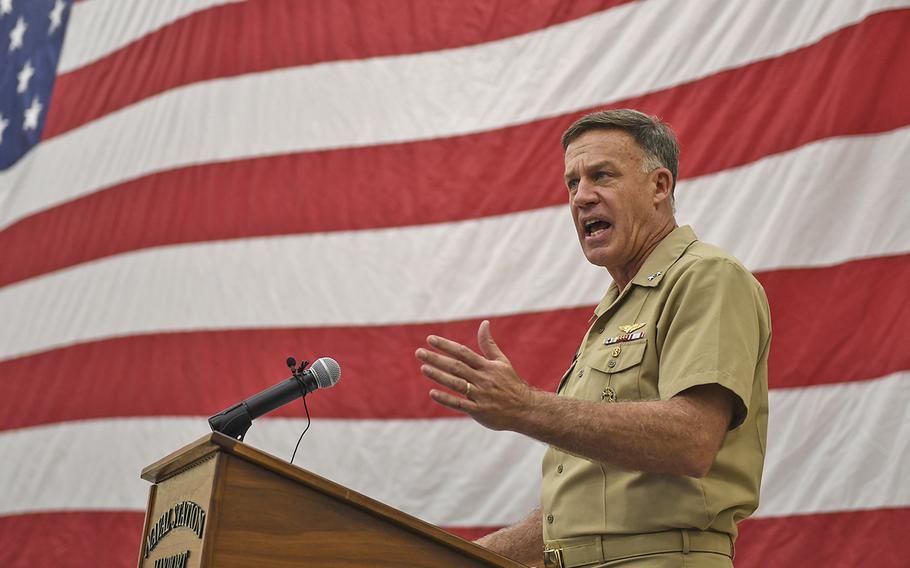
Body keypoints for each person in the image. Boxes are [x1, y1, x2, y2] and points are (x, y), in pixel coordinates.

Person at [415, 109, 771, 568]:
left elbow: (691, 439)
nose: (582, 197)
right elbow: (588, 508)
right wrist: (452, 556)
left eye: (601, 175)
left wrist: (524, 407)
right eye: (572, 183)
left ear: (660, 187)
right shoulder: (614, 310)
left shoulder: (706, 276)